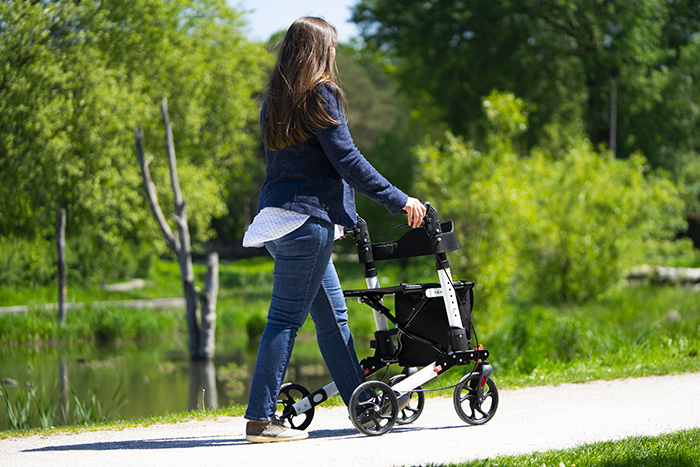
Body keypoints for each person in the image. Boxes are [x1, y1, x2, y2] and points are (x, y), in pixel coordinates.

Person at [242, 16, 426, 443]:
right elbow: (349, 161)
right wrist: (399, 199)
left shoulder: (277, 99)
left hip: (278, 222)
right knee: (285, 320)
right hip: (307, 226)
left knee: (332, 319)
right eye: (333, 47)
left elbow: (296, 166)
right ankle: (260, 419)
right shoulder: (320, 93)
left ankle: (363, 406)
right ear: (319, 51)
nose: (336, 55)